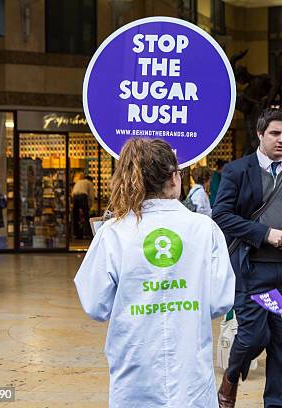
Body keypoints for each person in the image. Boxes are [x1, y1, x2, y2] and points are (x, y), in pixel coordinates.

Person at [74, 138, 235, 407]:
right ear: (174, 178)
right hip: (191, 377)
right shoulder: (205, 229)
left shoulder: (113, 233)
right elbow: (220, 301)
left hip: (134, 375)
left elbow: (95, 305)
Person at [212, 109, 282, 408]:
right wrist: (263, 233)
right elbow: (221, 215)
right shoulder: (236, 171)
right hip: (253, 272)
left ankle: (275, 404)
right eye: (274, 134)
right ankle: (231, 377)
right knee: (253, 336)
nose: (281, 140)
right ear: (259, 134)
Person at [71, 174, 95, 239]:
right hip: (83, 196)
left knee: (75, 216)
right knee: (86, 216)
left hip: (75, 196)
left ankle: (75, 234)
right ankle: (86, 234)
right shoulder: (89, 183)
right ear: (91, 180)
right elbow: (91, 195)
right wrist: (90, 205)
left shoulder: (79, 182)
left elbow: (72, 193)